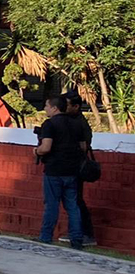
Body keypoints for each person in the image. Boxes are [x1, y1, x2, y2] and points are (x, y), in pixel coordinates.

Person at [35, 94, 86, 250]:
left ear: (54, 108)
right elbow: (83, 147)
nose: (45, 109)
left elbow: (46, 147)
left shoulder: (50, 125)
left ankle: (46, 236)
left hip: (54, 169)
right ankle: (77, 239)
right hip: (72, 170)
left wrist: (36, 151)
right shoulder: (76, 124)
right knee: (72, 205)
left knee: (52, 204)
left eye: (47, 106)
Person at [64, 94, 96, 246]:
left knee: (76, 200)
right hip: (70, 165)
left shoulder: (80, 123)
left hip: (76, 166)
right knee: (72, 200)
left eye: (67, 105)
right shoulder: (69, 120)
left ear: (76, 106)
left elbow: (84, 146)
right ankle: (76, 231)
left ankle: (86, 233)